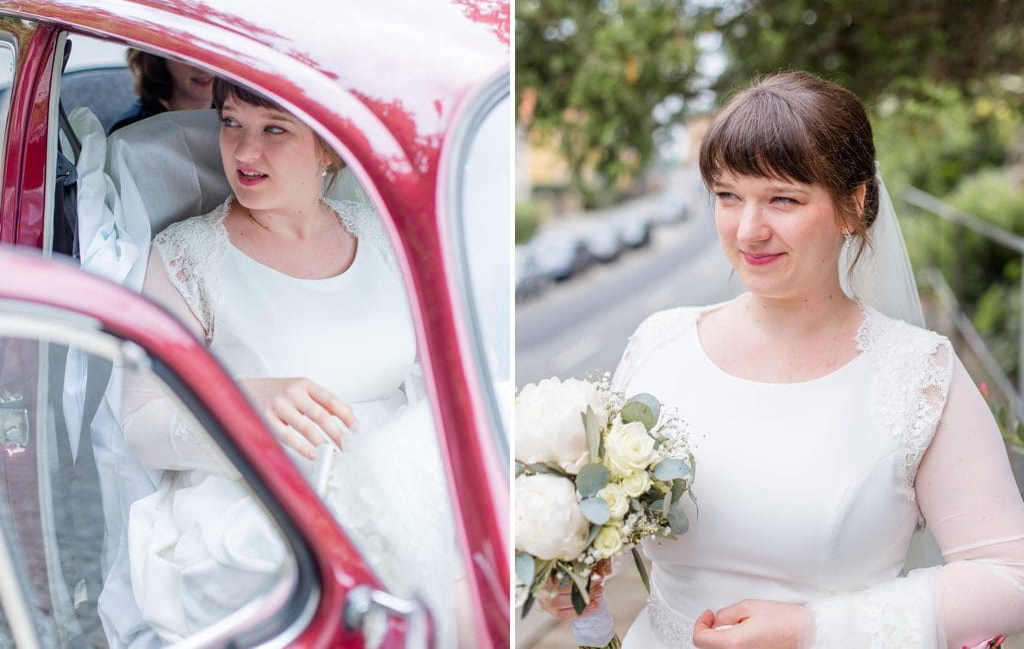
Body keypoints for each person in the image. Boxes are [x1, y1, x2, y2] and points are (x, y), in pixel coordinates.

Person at [549, 71, 1024, 648]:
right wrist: (576, 561)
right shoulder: (658, 345)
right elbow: (621, 532)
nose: (749, 230)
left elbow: (1010, 577)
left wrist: (814, 630)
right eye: (728, 196)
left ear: (854, 205)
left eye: (783, 199)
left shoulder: (920, 375)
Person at [114, 78, 460, 644]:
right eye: (231, 123)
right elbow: (139, 425)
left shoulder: (385, 238)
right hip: (265, 506)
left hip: (409, 478)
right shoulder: (183, 257)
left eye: (274, 129)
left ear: (327, 145)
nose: (245, 152)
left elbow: (441, 375)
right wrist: (241, 401)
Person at [109, 50, 214, 133]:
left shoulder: (224, 113)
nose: (204, 68)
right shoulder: (130, 131)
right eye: (187, 54)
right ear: (160, 57)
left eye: (212, 51)